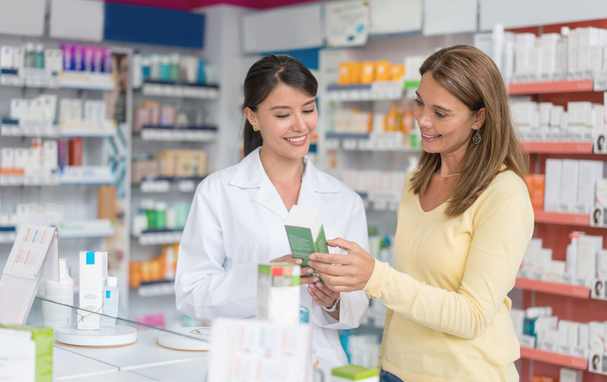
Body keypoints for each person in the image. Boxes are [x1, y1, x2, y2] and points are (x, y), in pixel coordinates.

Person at [308, 45, 534, 382]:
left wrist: (376, 277)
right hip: (396, 369)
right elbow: (415, 286)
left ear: (479, 117)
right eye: (419, 103)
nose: (423, 120)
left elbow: (472, 315)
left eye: (441, 113)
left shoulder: (504, 194)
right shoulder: (417, 181)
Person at [175, 54, 370, 367]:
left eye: (308, 109)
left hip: (320, 362)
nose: (300, 125)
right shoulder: (219, 191)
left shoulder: (344, 199)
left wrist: (334, 301)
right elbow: (191, 294)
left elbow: (358, 303)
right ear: (253, 117)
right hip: (247, 361)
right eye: (283, 115)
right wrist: (266, 278)